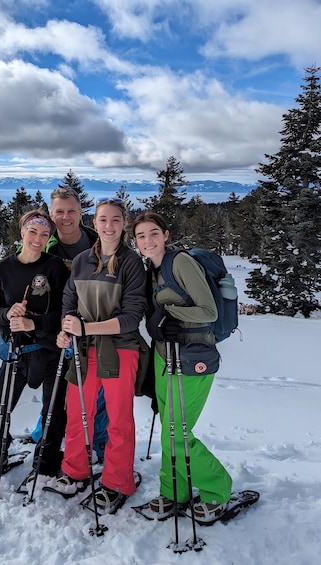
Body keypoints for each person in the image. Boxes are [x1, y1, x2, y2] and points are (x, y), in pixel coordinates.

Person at [0, 188, 108, 463]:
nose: (65, 217)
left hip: (95, 326)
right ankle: (43, 440)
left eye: (71, 210)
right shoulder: (43, 243)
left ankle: (98, 446)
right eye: (59, 211)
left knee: (94, 396)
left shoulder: (99, 244)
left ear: (81, 212)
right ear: (51, 215)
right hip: (52, 335)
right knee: (56, 400)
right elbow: (3, 282)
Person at [132, 211, 232, 522]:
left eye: (153, 233)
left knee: (178, 432)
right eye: (140, 236)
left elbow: (209, 311)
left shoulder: (180, 263)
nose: (147, 241)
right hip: (165, 357)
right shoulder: (153, 269)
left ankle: (218, 490)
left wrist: (171, 314)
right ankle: (174, 491)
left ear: (165, 235)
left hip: (193, 358)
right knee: (169, 428)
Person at [51, 197, 147, 512]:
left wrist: (85, 328)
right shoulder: (81, 261)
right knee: (79, 412)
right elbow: (69, 299)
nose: (109, 226)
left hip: (120, 350)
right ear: (95, 222)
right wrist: (66, 327)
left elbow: (132, 317)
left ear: (124, 224)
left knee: (118, 419)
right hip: (82, 349)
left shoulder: (131, 263)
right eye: (103, 219)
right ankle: (75, 470)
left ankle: (118, 480)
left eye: (116, 220)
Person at [0, 209, 70, 478]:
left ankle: (46, 462)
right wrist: (8, 313)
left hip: (50, 351)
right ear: (22, 232)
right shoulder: (5, 268)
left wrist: (35, 324)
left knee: (53, 411)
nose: (38, 238)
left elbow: (66, 312)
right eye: (33, 231)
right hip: (17, 351)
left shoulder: (55, 267)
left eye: (44, 234)